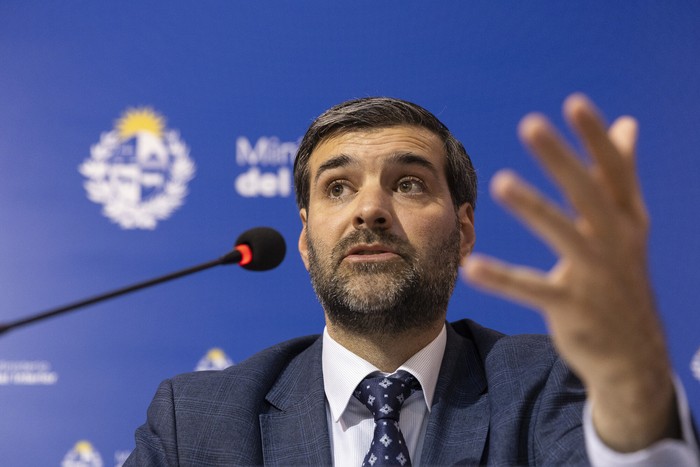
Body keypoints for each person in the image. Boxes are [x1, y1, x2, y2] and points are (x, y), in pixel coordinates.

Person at [125, 94, 699, 466]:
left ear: (464, 230)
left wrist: (631, 377)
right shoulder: (196, 422)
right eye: (338, 188)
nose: (369, 209)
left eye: (408, 184)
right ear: (305, 239)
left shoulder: (546, 387)